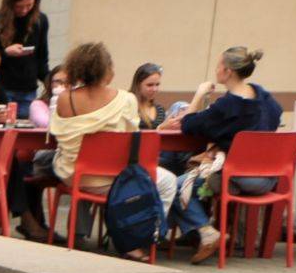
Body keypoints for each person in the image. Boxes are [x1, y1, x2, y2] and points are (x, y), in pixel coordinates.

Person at [13, 42, 176, 257]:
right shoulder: (126, 99)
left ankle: (79, 235)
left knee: (66, 164)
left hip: (74, 173)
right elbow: (131, 133)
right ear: (107, 69)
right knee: (169, 181)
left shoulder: (65, 98)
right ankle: (145, 236)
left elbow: (57, 132)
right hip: (114, 176)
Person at [161, 46, 283, 263]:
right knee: (201, 181)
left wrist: (199, 94)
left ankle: (207, 232)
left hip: (237, 179)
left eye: (218, 65)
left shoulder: (227, 106)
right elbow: (272, 119)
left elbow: (189, 125)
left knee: (178, 185)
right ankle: (200, 235)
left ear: (227, 71)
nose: (216, 69)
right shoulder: (266, 98)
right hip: (269, 179)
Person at [0, 0, 50, 113]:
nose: (24, 10)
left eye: (29, 5)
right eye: (19, 6)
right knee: (0, 127)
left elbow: (42, 58)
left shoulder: (40, 21)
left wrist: (50, 82)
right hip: (1, 88)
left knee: (24, 129)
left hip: (28, 90)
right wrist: (6, 53)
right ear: (10, 3)